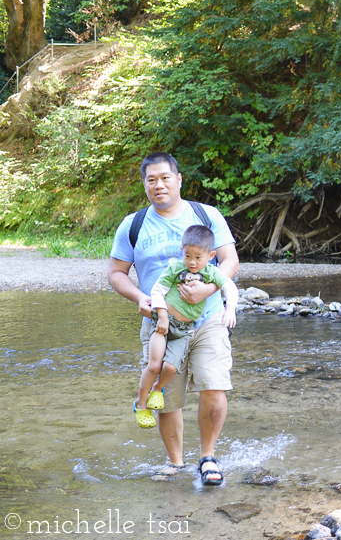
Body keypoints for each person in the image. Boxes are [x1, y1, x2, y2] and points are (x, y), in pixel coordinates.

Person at [108, 152, 239, 486]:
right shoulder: (133, 224)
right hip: (160, 324)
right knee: (166, 396)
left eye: (165, 177)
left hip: (208, 319)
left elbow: (230, 261)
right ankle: (176, 462)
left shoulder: (206, 215)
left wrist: (209, 290)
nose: (159, 185)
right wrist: (140, 297)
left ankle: (208, 457)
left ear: (179, 179)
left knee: (214, 384)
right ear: (144, 184)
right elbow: (116, 273)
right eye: (151, 179)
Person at [134, 225, 239, 434]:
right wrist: (162, 315)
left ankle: (157, 389)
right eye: (188, 255)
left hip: (184, 330)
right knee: (155, 365)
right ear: (182, 250)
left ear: (210, 256)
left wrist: (230, 309)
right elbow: (157, 290)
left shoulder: (211, 272)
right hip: (162, 325)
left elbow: (230, 287)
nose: (192, 262)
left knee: (171, 368)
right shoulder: (175, 268)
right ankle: (141, 404)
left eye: (198, 257)